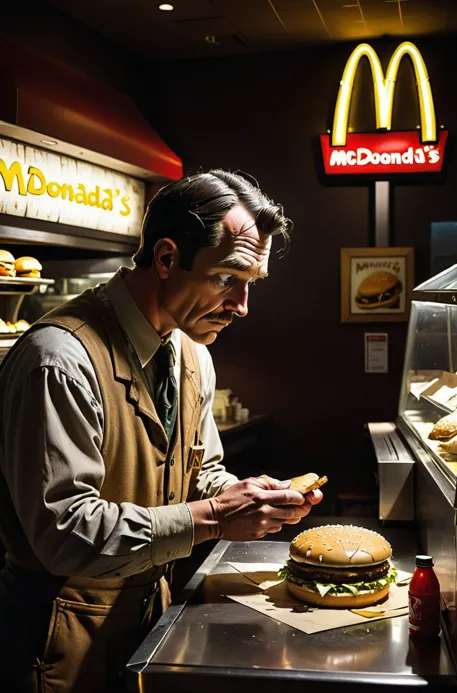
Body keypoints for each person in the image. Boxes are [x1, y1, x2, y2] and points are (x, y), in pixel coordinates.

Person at [0, 169, 323, 692]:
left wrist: (247, 497)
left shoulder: (191, 352)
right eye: (227, 279)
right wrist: (214, 517)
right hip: (58, 639)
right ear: (167, 258)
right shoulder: (59, 360)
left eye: (250, 284)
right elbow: (64, 533)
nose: (243, 306)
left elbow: (201, 472)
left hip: (152, 623)